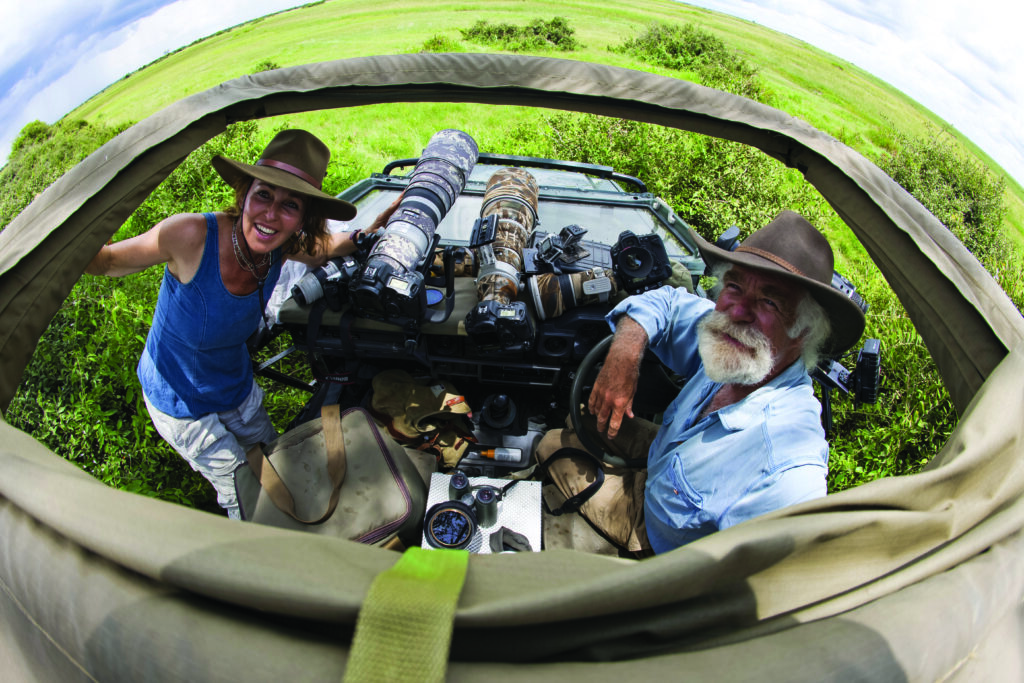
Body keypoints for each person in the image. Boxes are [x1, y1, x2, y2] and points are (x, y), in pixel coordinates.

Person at [86, 129, 394, 519]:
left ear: (303, 218)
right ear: (245, 194)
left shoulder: (282, 245)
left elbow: (325, 249)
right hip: (179, 399)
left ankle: (307, 530)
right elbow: (107, 262)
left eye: (290, 205)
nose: (270, 214)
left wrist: (372, 231)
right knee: (243, 494)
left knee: (278, 460)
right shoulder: (190, 236)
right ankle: (257, 565)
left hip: (233, 382)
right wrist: (75, 228)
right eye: (264, 194)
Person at [537, 210, 865, 554]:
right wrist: (625, 355)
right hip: (667, 462)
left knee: (550, 444)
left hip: (653, 536)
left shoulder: (784, 473)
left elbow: (752, 592)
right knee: (583, 419)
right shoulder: (732, 345)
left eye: (769, 301)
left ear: (805, 330)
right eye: (734, 286)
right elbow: (669, 302)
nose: (737, 312)